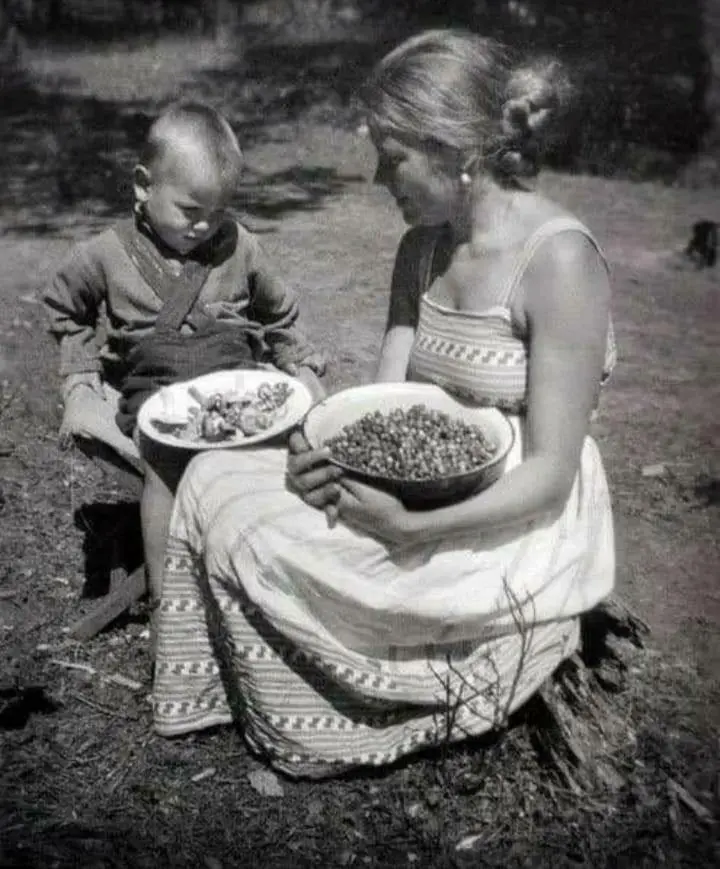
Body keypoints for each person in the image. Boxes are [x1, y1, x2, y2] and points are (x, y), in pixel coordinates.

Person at [152, 30, 617, 778]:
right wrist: (321, 460)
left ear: (455, 147)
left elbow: (552, 474)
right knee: (210, 478)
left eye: (392, 156)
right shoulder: (424, 248)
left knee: (282, 538)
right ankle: (238, 687)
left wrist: (412, 525)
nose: (375, 177)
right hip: (417, 488)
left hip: (512, 518)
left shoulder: (559, 259)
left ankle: (334, 714)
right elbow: (381, 413)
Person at [43, 101, 326, 618]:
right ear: (142, 186)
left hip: (234, 381)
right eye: (190, 212)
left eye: (218, 212)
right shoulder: (106, 254)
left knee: (292, 450)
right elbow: (66, 309)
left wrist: (298, 361)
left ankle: (273, 586)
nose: (204, 227)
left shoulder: (240, 246)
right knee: (166, 466)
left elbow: (279, 314)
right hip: (156, 389)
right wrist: (81, 374)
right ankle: (167, 602)